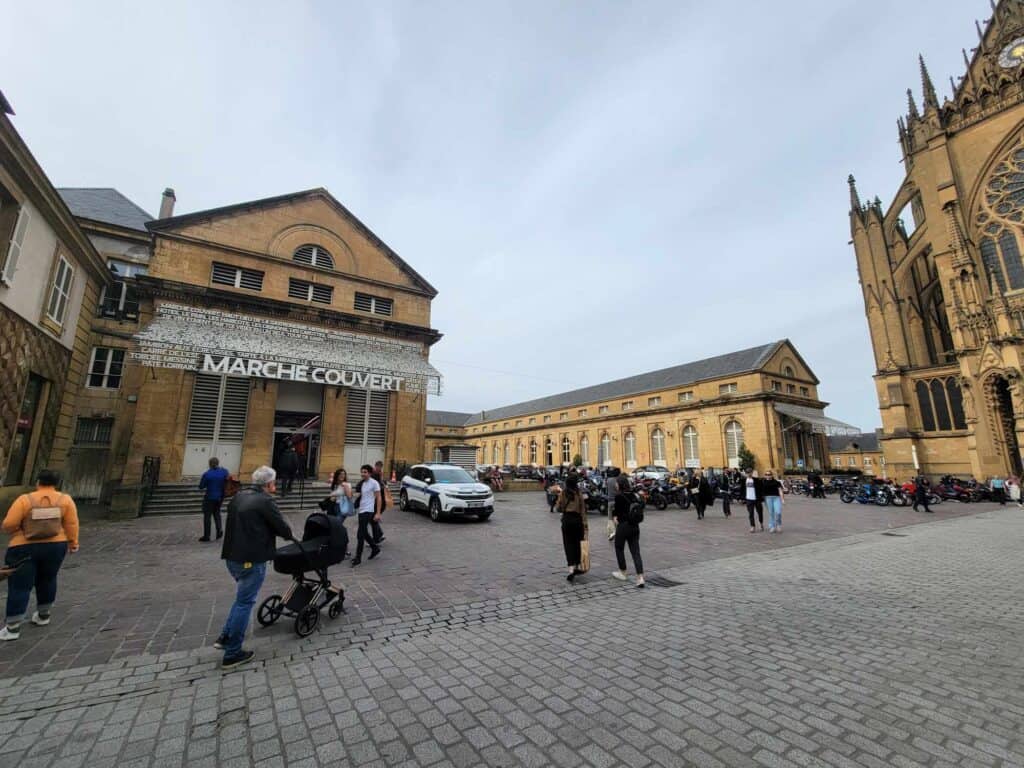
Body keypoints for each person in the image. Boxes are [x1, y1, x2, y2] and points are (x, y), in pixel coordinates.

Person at [215, 465, 293, 667]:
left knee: (241, 599)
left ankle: (225, 637)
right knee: (245, 603)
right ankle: (232, 653)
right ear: (269, 483)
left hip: (232, 557)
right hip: (251, 558)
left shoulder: (239, 496)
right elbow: (281, 527)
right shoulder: (265, 501)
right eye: (274, 482)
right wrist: (289, 535)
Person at [0, 469, 79, 641]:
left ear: (38, 482)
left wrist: (17, 530)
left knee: (20, 585)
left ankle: (12, 627)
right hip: (55, 546)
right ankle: (44, 615)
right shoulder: (65, 500)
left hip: (23, 546)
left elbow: (9, 524)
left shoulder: (25, 500)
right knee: (48, 579)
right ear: (56, 483)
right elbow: (71, 524)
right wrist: (73, 543)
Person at [611, 475, 645, 588]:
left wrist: (615, 518)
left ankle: (623, 572)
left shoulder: (618, 496)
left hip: (623, 526)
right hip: (635, 526)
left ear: (620, 484)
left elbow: (617, 512)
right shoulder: (633, 494)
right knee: (635, 552)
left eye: (616, 483)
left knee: (619, 547)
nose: (615, 485)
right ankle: (640, 577)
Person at [557, 474, 588, 581]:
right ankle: (577, 566)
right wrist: (585, 525)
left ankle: (571, 568)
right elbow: (583, 509)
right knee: (578, 543)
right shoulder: (579, 493)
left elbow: (559, 507)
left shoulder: (563, 493)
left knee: (568, 544)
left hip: (567, 520)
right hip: (577, 520)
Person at [352, 465, 382, 566]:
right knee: (364, 532)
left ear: (369, 473)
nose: (363, 474)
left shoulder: (374, 483)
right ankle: (375, 548)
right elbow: (359, 495)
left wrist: (378, 513)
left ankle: (358, 558)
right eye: (362, 472)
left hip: (369, 511)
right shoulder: (362, 483)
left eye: (365, 472)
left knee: (360, 534)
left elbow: (378, 498)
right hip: (362, 510)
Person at [198, 457, 230, 542]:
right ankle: (219, 530)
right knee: (217, 513)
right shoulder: (224, 471)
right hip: (220, 497)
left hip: (209, 497)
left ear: (209, 464)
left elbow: (201, 486)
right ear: (218, 463)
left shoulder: (207, 474)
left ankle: (207, 536)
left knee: (207, 516)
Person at [371, 461, 388, 545]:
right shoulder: (375, 475)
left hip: (380, 502)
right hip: (377, 501)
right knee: (373, 520)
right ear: (375, 466)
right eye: (378, 467)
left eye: (380, 467)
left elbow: (380, 488)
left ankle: (377, 538)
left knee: (373, 520)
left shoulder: (377, 476)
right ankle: (379, 536)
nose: (379, 469)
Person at [604, 467, 620, 540]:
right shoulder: (618, 480)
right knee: (617, 516)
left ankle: (611, 533)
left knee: (610, 518)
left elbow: (605, 487)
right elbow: (618, 489)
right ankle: (615, 532)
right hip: (617, 501)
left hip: (610, 501)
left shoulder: (608, 480)